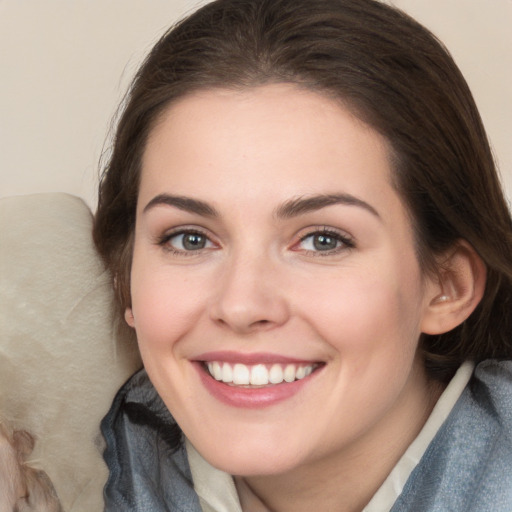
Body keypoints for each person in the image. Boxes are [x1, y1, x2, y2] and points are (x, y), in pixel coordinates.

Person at [92, 0, 512, 510]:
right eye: (190, 239)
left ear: (446, 284)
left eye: (323, 240)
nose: (242, 305)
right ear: (125, 276)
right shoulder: (75, 465)